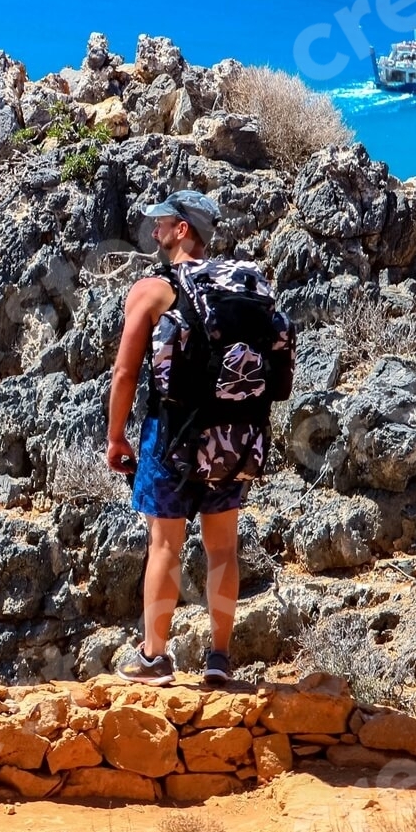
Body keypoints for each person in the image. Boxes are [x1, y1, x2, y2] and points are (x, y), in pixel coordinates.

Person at [104, 190, 242, 688]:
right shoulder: (238, 284)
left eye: (163, 220)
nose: (156, 227)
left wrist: (116, 436)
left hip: (173, 433)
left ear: (183, 229)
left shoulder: (153, 289)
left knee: (165, 544)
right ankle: (219, 658)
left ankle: (154, 656)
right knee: (222, 548)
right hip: (233, 433)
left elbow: (124, 372)